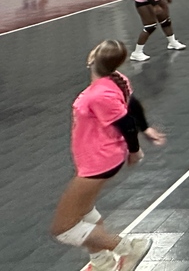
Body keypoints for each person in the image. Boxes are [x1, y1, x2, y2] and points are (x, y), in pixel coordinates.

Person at [51, 40, 165, 271]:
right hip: (95, 158)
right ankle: (101, 262)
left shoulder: (98, 95)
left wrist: (135, 150)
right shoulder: (117, 80)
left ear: (92, 59)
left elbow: (126, 122)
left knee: (64, 228)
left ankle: (128, 248)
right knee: (85, 212)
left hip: (98, 162)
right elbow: (132, 104)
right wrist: (146, 128)